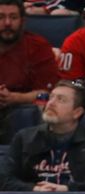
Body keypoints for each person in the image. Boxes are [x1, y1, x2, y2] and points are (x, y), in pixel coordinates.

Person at [0, 80, 85, 191]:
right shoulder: (24, 138)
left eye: (60, 99)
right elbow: (4, 179)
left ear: (77, 112)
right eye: (51, 97)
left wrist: (67, 190)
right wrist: (33, 189)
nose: (50, 103)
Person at [0, 0, 60, 143]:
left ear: (23, 21)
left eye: (13, 17)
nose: (7, 23)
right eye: (1, 17)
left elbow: (47, 95)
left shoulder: (38, 46)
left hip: (25, 114)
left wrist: (15, 98)